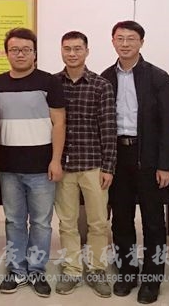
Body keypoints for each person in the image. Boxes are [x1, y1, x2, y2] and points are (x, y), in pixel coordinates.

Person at [100, 20, 169, 305]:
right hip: (117, 156)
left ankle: (152, 279)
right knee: (120, 219)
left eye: (131, 38)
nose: (125, 44)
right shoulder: (106, 77)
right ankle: (127, 272)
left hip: (149, 158)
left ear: (141, 42)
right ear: (112, 42)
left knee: (154, 221)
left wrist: (166, 164)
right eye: (120, 38)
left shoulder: (157, 77)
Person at [0, 27, 66, 297]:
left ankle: (37, 271)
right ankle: (16, 271)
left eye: (26, 50)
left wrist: (56, 160)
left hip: (42, 167)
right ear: (7, 53)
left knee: (42, 223)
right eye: (14, 50)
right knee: (14, 221)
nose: (20, 54)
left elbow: (59, 123)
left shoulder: (49, 82)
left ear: (34, 53)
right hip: (8, 167)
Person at [53, 31, 116, 298]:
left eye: (77, 48)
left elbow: (108, 128)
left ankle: (97, 269)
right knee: (67, 223)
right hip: (64, 166)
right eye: (67, 48)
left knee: (98, 222)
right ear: (61, 51)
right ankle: (71, 270)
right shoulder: (53, 84)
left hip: (93, 165)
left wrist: (109, 166)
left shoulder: (101, 85)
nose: (72, 53)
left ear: (87, 51)